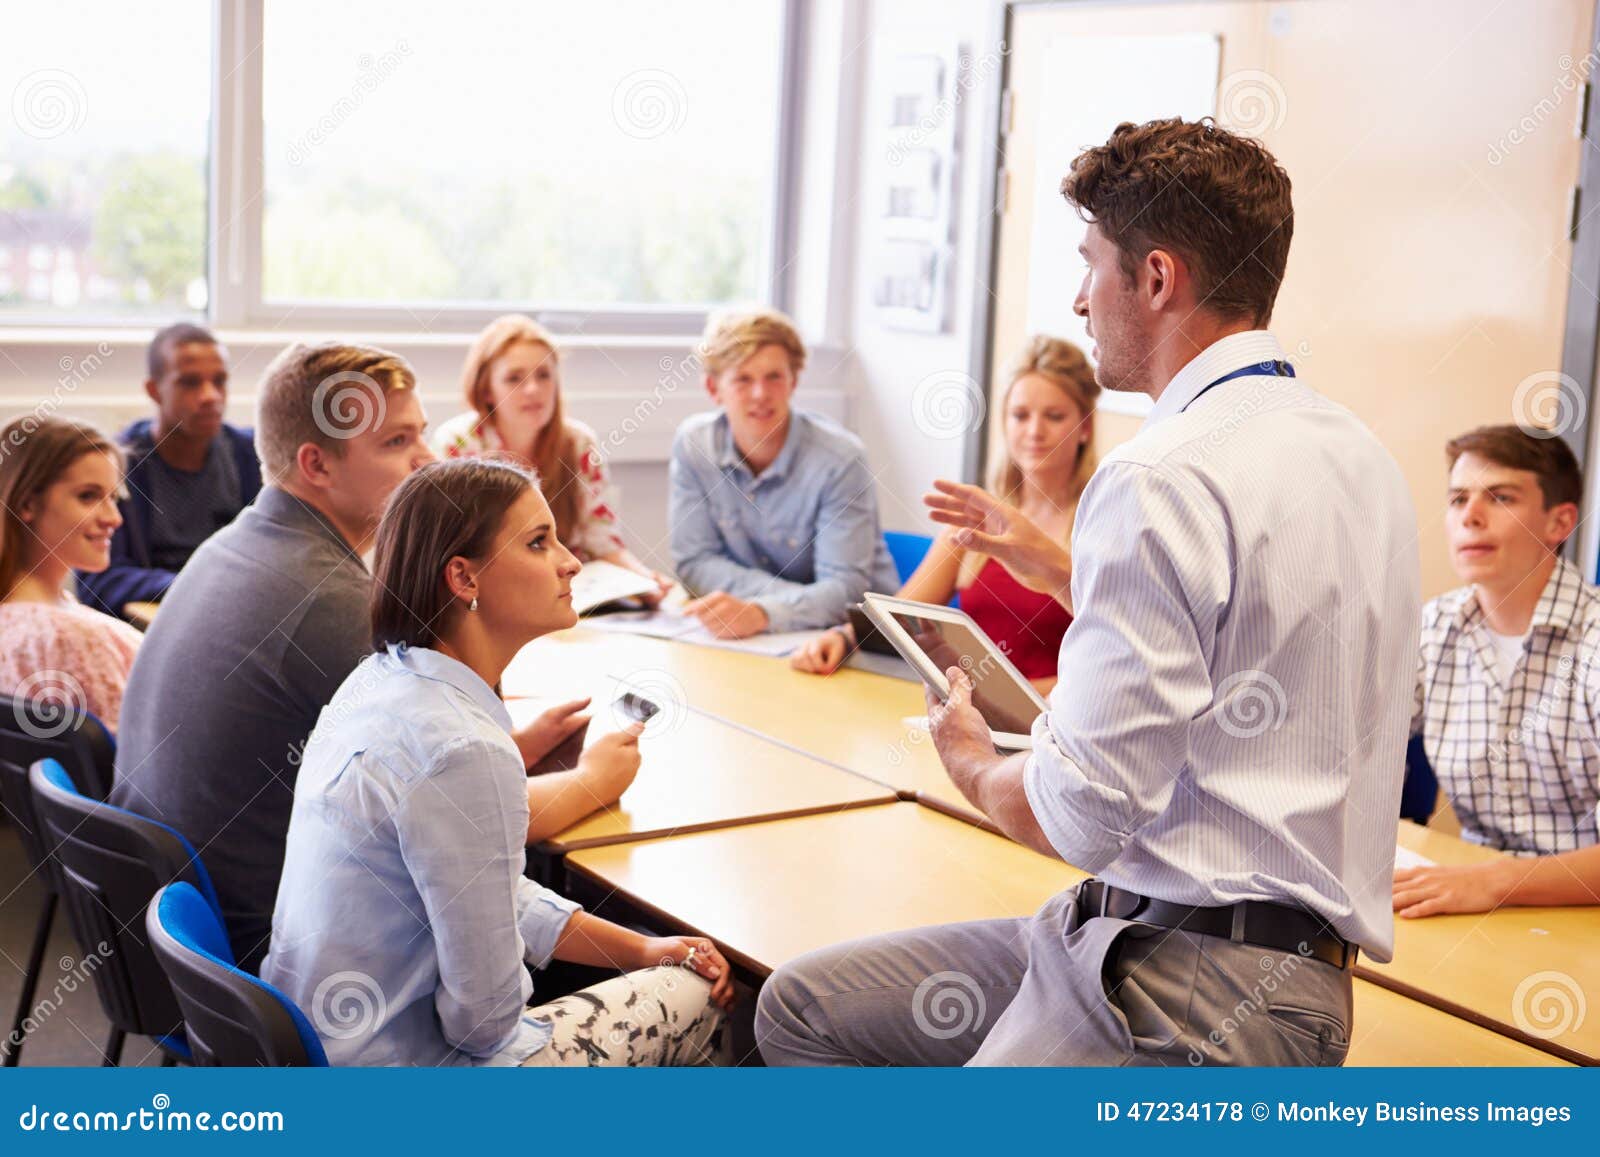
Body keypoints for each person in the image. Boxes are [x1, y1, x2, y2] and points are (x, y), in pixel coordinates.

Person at [757, 117, 1421, 1067]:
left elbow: (1082, 813)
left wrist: (976, 762)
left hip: (1186, 984)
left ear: (1155, 279)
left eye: (1090, 264)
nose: (1078, 298)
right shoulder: (1363, 458)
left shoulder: (1158, 473)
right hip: (1223, 954)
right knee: (802, 1005)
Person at [111, 343, 633, 974]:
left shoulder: (236, 545)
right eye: (396, 443)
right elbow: (467, 832)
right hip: (264, 967)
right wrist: (593, 781)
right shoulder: (330, 602)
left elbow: (402, 779)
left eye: (419, 433)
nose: (428, 459)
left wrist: (513, 749)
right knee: (617, 937)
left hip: (176, 943)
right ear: (316, 465)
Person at [262, 458, 733, 1066]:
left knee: (652, 972)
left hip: (324, 1054)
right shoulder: (466, 750)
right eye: (539, 543)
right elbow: (482, 1026)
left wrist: (640, 950)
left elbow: (485, 891)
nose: (572, 561)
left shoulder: (377, 680)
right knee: (705, 997)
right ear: (464, 578)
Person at [790, 336, 1097, 684]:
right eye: (1020, 415)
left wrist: (1027, 700)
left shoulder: (1101, 524)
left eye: (1054, 417)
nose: (1034, 431)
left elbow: (1113, 658)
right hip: (969, 717)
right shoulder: (978, 517)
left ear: (1085, 427)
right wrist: (843, 637)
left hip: (1054, 725)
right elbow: (897, 618)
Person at [1394, 425, 1600, 917]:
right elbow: (1352, 749)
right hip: (1480, 900)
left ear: (1560, 522)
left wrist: (1499, 881)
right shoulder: (1435, 627)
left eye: (1500, 498)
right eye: (1458, 499)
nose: (1471, 517)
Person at [669, 308, 897, 638]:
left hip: (856, 639)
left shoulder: (841, 459)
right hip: (762, 638)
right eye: (743, 379)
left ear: (794, 381)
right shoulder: (694, 445)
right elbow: (694, 562)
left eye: (774, 376)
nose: (761, 394)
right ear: (713, 388)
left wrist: (764, 612)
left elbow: (845, 590)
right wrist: (781, 607)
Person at [429, 315, 669, 602]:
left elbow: (602, 541)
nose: (533, 389)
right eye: (514, 378)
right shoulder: (458, 444)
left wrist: (642, 579)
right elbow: (447, 550)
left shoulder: (579, 444)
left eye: (543, 375)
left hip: (566, 598)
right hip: (487, 600)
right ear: (486, 390)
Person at [77, 323, 261, 617]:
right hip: (155, 624)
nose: (210, 396)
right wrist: (192, 586)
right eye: (190, 382)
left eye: (220, 381)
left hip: (235, 615)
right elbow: (97, 581)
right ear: (155, 390)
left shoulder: (250, 456)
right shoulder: (117, 466)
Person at [0, 416, 142, 730]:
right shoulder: (75, 640)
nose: (114, 518)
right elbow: (135, 766)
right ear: (27, 503)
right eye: (88, 496)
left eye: (113, 498)